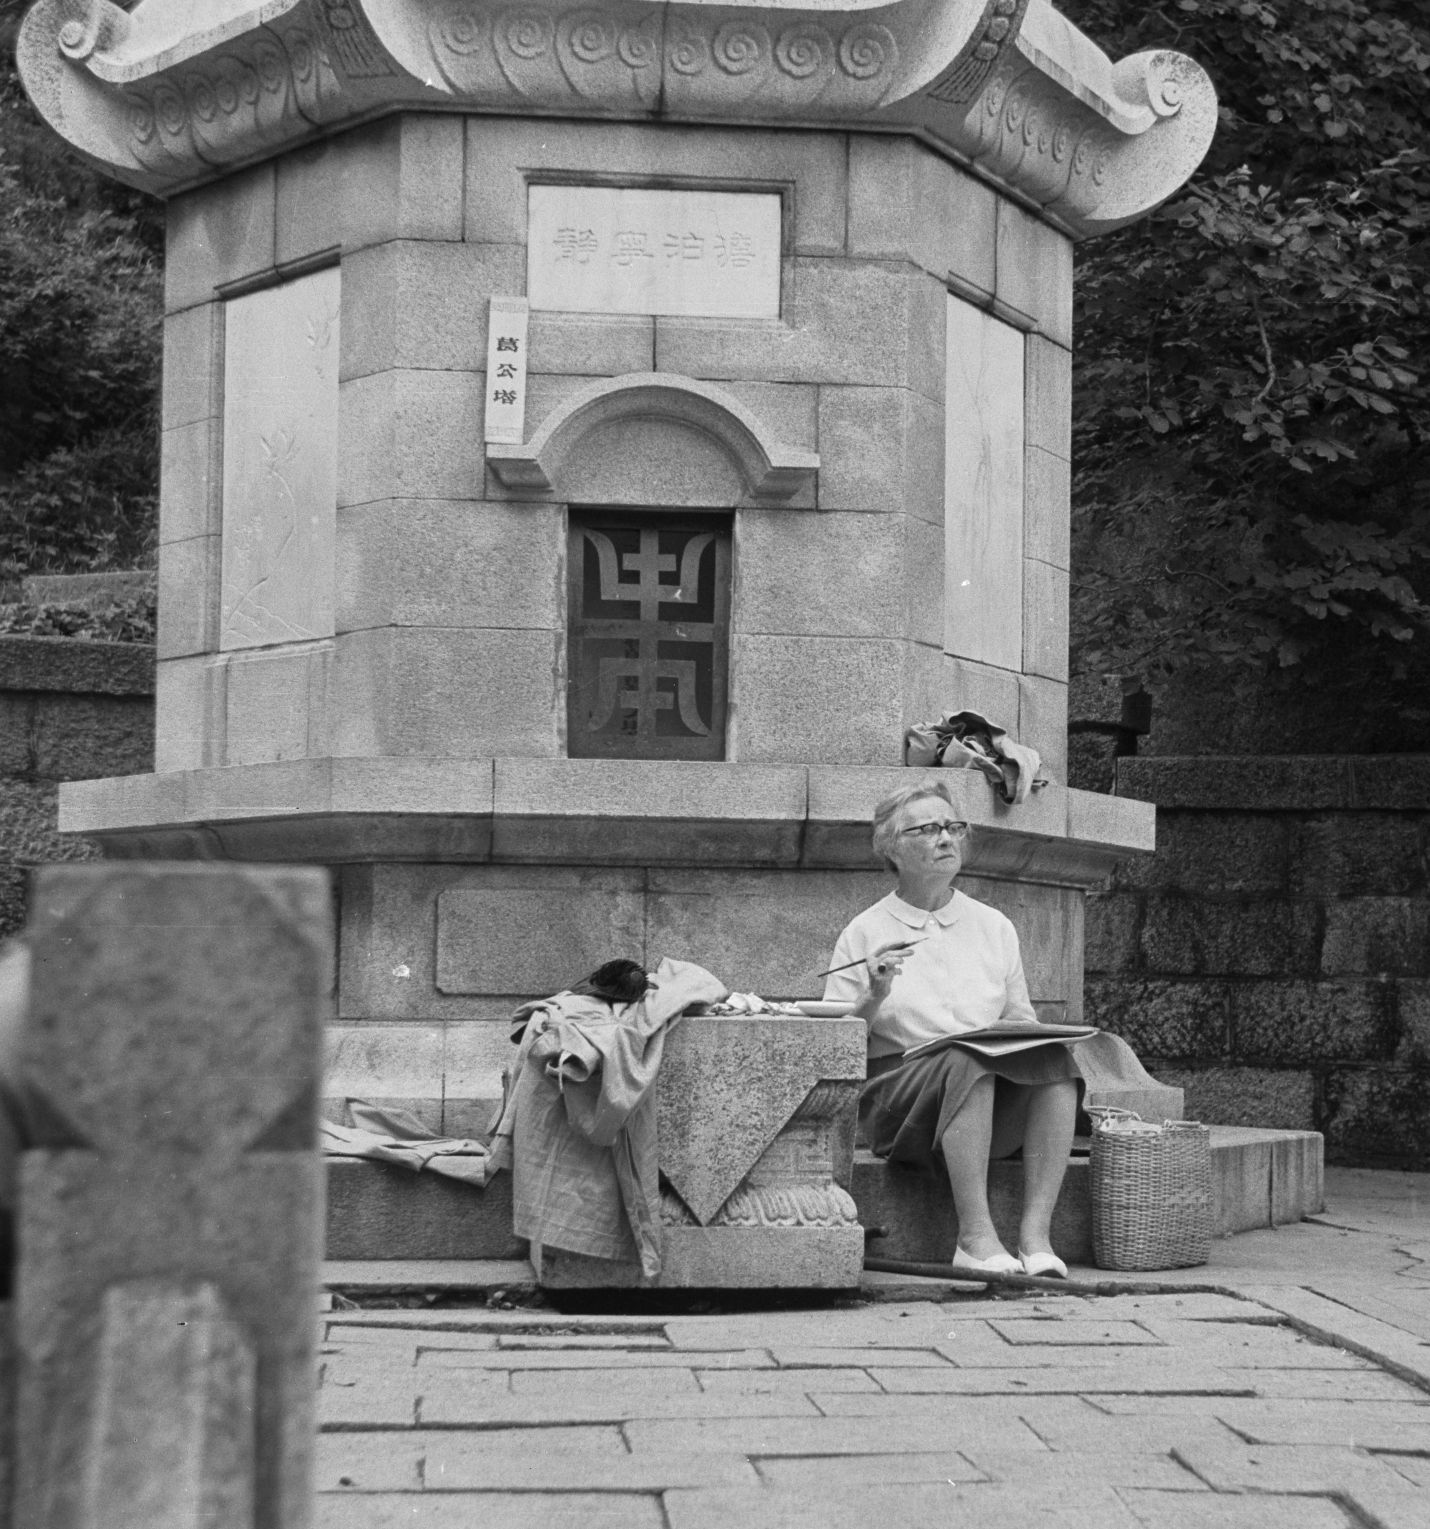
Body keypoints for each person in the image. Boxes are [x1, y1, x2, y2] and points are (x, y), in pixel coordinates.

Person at [823, 780, 1078, 1278]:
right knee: (969, 1061)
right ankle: (975, 1238)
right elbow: (836, 1049)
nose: (946, 838)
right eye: (927, 829)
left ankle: (1036, 1236)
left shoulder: (994, 925)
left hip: (979, 1090)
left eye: (953, 827)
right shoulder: (865, 932)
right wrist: (872, 997)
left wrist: (1018, 1033)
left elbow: (1020, 1019)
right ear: (891, 849)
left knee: (1053, 1061)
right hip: (899, 1099)